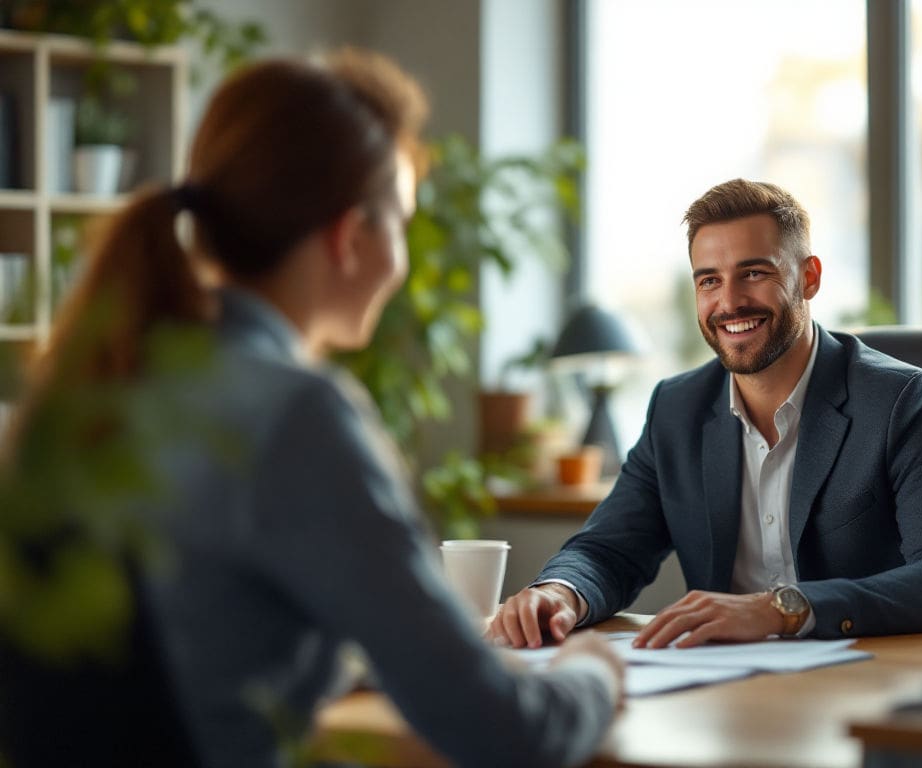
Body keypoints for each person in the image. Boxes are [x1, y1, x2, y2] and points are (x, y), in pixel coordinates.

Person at [0, 50, 622, 767]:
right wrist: (595, 676)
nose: (403, 261)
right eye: (402, 225)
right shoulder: (293, 414)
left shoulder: (96, 386)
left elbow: (203, 641)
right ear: (352, 237)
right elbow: (507, 733)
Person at [489, 178, 922, 650]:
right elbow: (608, 550)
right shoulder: (677, 409)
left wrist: (781, 611)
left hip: (868, 685)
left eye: (754, 273)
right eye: (709, 281)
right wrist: (560, 592)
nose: (729, 303)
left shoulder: (905, 402)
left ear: (809, 277)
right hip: (724, 692)